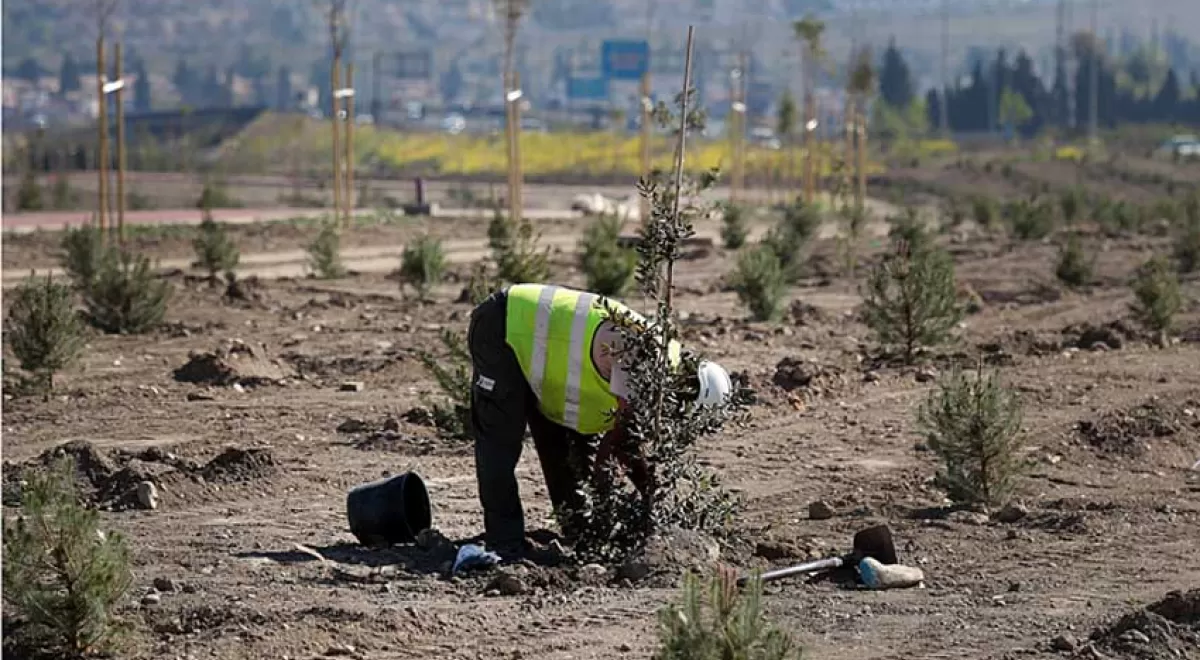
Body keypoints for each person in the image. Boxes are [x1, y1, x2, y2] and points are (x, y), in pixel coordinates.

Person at [467, 283, 733, 561]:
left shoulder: (667, 365)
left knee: (567, 449)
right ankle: (505, 542)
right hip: (505, 325)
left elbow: (627, 443)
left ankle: (579, 531)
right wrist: (631, 501)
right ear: (687, 394)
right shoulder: (647, 360)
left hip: (545, 356)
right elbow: (617, 447)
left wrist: (651, 503)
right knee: (499, 439)